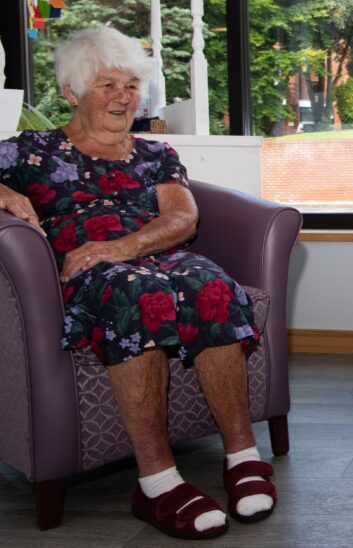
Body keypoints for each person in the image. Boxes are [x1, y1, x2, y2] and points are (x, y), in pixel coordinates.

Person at [0, 27, 276, 539]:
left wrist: (122, 247)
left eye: (130, 85)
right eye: (107, 84)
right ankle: (157, 482)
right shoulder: (30, 151)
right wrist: (3, 194)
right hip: (85, 274)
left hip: (152, 254)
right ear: (71, 92)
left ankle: (241, 455)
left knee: (214, 287)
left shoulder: (156, 154)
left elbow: (183, 219)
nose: (123, 97)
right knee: (138, 295)